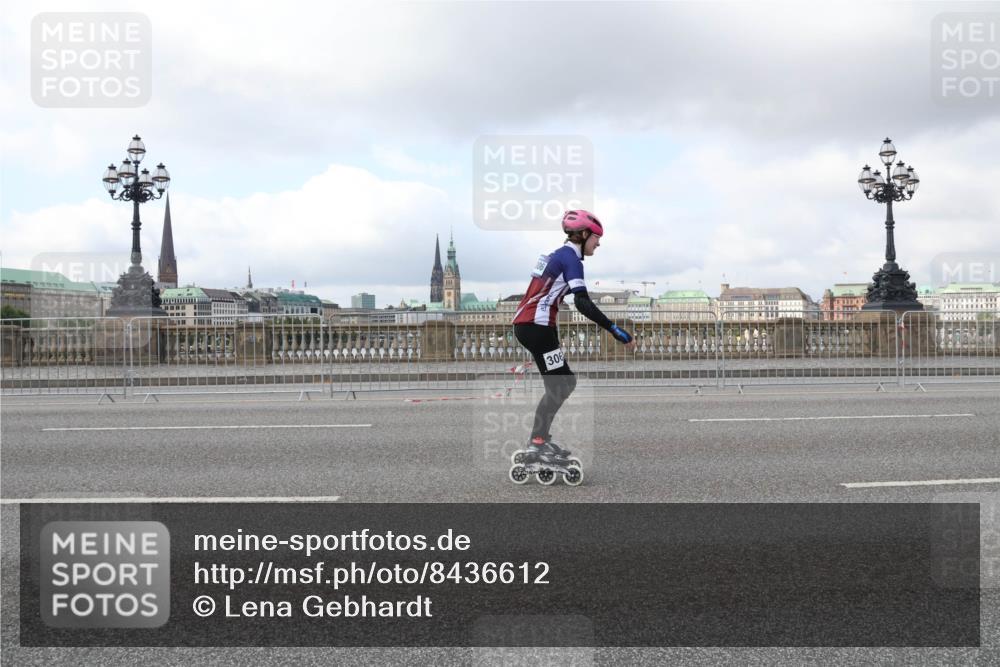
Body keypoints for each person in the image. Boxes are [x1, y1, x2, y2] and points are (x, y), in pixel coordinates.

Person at [512, 209, 635, 468]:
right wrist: (615, 330)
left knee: (561, 384)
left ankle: (540, 439)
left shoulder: (557, 255)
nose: (598, 243)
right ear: (583, 234)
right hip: (536, 326)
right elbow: (582, 302)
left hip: (533, 326)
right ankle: (537, 441)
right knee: (563, 384)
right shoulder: (571, 260)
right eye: (596, 238)